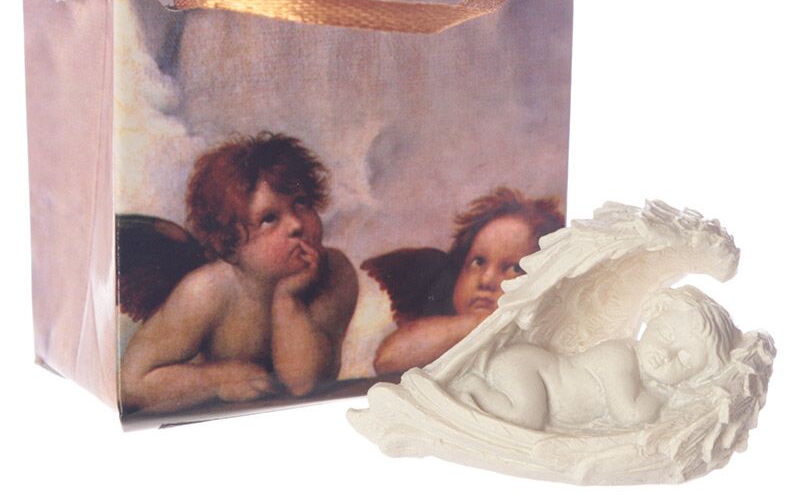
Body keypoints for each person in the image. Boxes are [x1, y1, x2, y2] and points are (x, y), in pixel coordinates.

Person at [120, 133, 358, 414]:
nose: (296, 224)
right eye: (269, 218)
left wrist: (287, 299)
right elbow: (131, 384)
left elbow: (304, 383)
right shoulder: (206, 291)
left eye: (301, 203)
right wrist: (221, 381)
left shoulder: (335, 272)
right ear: (230, 247)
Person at [453, 286, 742, 431]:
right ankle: (472, 388)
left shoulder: (639, 374)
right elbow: (629, 415)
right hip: (529, 369)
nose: (665, 355)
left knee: (528, 415)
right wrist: (662, 399)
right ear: (653, 317)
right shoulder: (618, 357)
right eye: (665, 334)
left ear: (696, 374)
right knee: (526, 418)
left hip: (533, 371)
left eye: (685, 359)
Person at [365, 188, 563, 375]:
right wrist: (483, 321)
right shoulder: (444, 332)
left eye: (514, 268)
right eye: (478, 262)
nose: (486, 280)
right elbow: (388, 360)